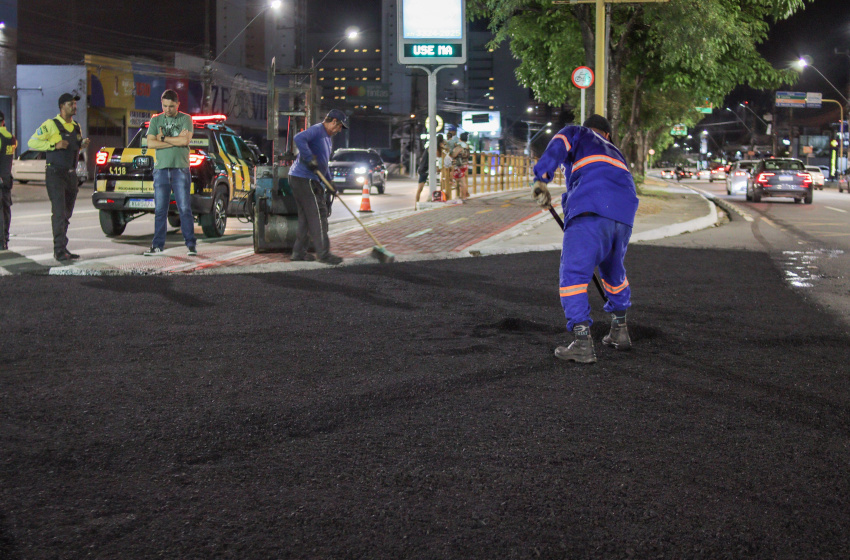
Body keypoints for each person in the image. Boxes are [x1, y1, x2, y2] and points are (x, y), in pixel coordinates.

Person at [531, 114, 639, 364]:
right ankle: (620, 330)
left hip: (590, 209)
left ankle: (582, 343)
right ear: (608, 135)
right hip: (623, 216)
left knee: (574, 275)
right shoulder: (617, 153)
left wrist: (541, 179)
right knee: (613, 271)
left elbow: (559, 144)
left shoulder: (578, 133)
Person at [28, 93, 90, 261]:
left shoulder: (76, 126)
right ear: (62, 106)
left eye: (75, 104)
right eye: (71, 104)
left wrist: (81, 145)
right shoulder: (50, 125)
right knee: (59, 213)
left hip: (71, 174)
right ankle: (59, 250)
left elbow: (74, 147)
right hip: (55, 174)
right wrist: (53, 145)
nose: (74, 107)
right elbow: (32, 142)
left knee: (67, 214)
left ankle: (63, 247)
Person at [287, 109, 348, 265]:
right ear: (333, 121)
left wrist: (330, 182)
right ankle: (323, 254)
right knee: (318, 215)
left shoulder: (328, 139)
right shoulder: (317, 130)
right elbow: (298, 138)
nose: (339, 130)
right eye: (340, 126)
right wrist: (309, 158)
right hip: (303, 178)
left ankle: (298, 253)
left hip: (304, 178)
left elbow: (323, 164)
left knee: (306, 218)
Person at [143, 89, 197, 256]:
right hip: (161, 169)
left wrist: (162, 138)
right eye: (165, 106)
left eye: (171, 106)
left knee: (184, 208)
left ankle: (191, 245)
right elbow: (150, 144)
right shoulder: (156, 120)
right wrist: (175, 142)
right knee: (160, 209)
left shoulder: (185, 119)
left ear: (178, 104)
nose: (168, 109)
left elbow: (185, 140)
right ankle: (157, 245)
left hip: (180, 168)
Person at [0, 111, 17, 250]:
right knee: (5, 209)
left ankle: (1, 241)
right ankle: (5, 238)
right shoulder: (11, 138)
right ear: (3, 122)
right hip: (6, 179)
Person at [452, 131, 471, 199]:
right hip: (465, 164)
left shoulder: (460, 146)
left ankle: (463, 196)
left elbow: (454, 155)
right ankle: (463, 195)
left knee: (462, 181)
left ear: (460, 138)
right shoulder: (467, 146)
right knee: (461, 180)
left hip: (459, 165)